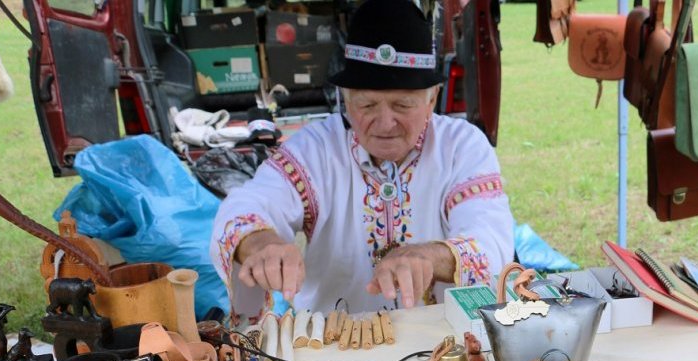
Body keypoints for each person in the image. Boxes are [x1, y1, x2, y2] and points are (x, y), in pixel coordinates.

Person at [209, 0, 514, 325]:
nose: (385, 123)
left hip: (443, 345)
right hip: (332, 347)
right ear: (345, 97)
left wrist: (430, 256)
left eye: (402, 104)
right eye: (367, 104)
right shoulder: (315, 150)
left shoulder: (461, 147)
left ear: (431, 98)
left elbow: (490, 241)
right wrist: (262, 243)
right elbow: (248, 204)